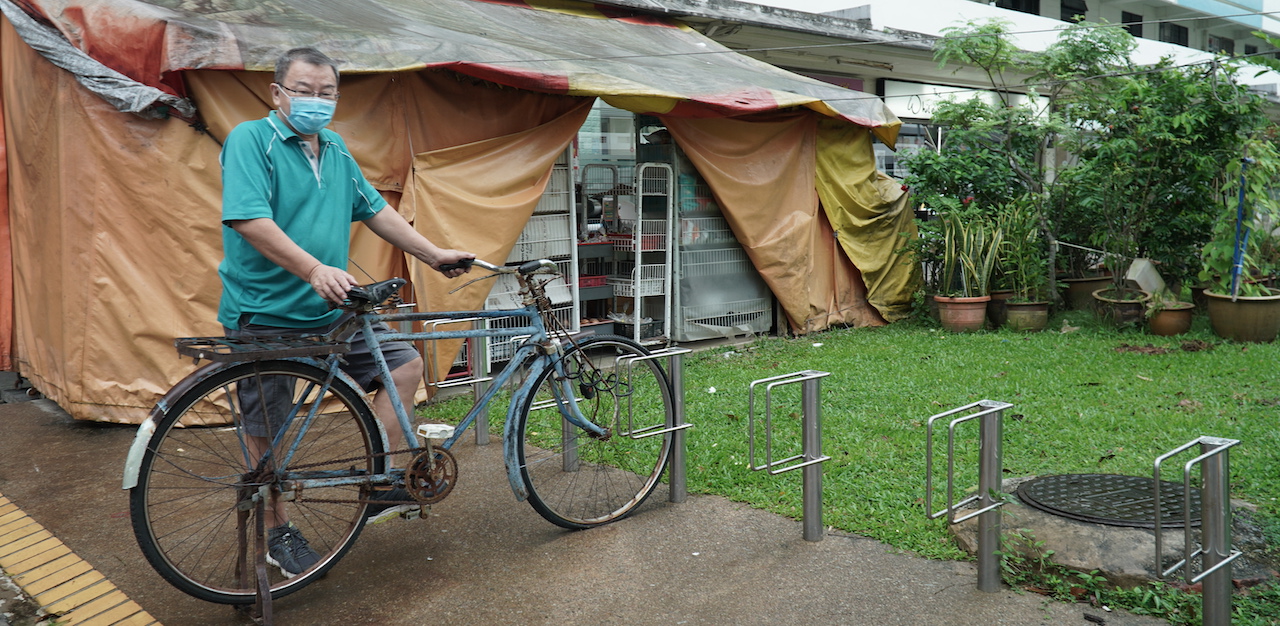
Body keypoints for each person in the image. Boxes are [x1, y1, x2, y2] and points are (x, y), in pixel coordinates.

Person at [217, 47, 474, 578]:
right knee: (268, 431)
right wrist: (314, 269)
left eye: (326, 93)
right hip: (264, 311)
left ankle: (375, 484)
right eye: (303, 91)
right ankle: (277, 533)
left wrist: (433, 253)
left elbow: (376, 211)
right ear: (277, 94)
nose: (315, 102)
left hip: (331, 310)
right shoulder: (252, 140)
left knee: (403, 366)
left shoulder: (333, 148)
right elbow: (248, 219)